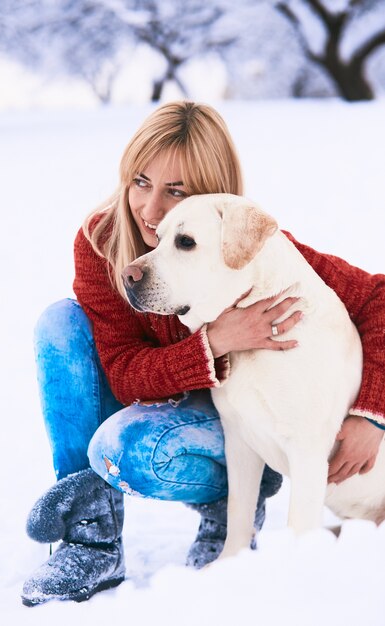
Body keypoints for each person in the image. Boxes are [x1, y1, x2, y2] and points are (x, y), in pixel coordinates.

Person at [21, 101, 385, 607]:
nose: (149, 210)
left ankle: (230, 517)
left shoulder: (252, 246)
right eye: (141, 181)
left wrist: (372, 413)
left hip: (247, 424)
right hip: (173, 403)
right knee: (59, 323)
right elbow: (124, 373)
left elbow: (378, 298)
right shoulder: (103, 243)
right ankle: (91, 532)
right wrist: (214, 343)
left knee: (130, 451)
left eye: (177, 191)